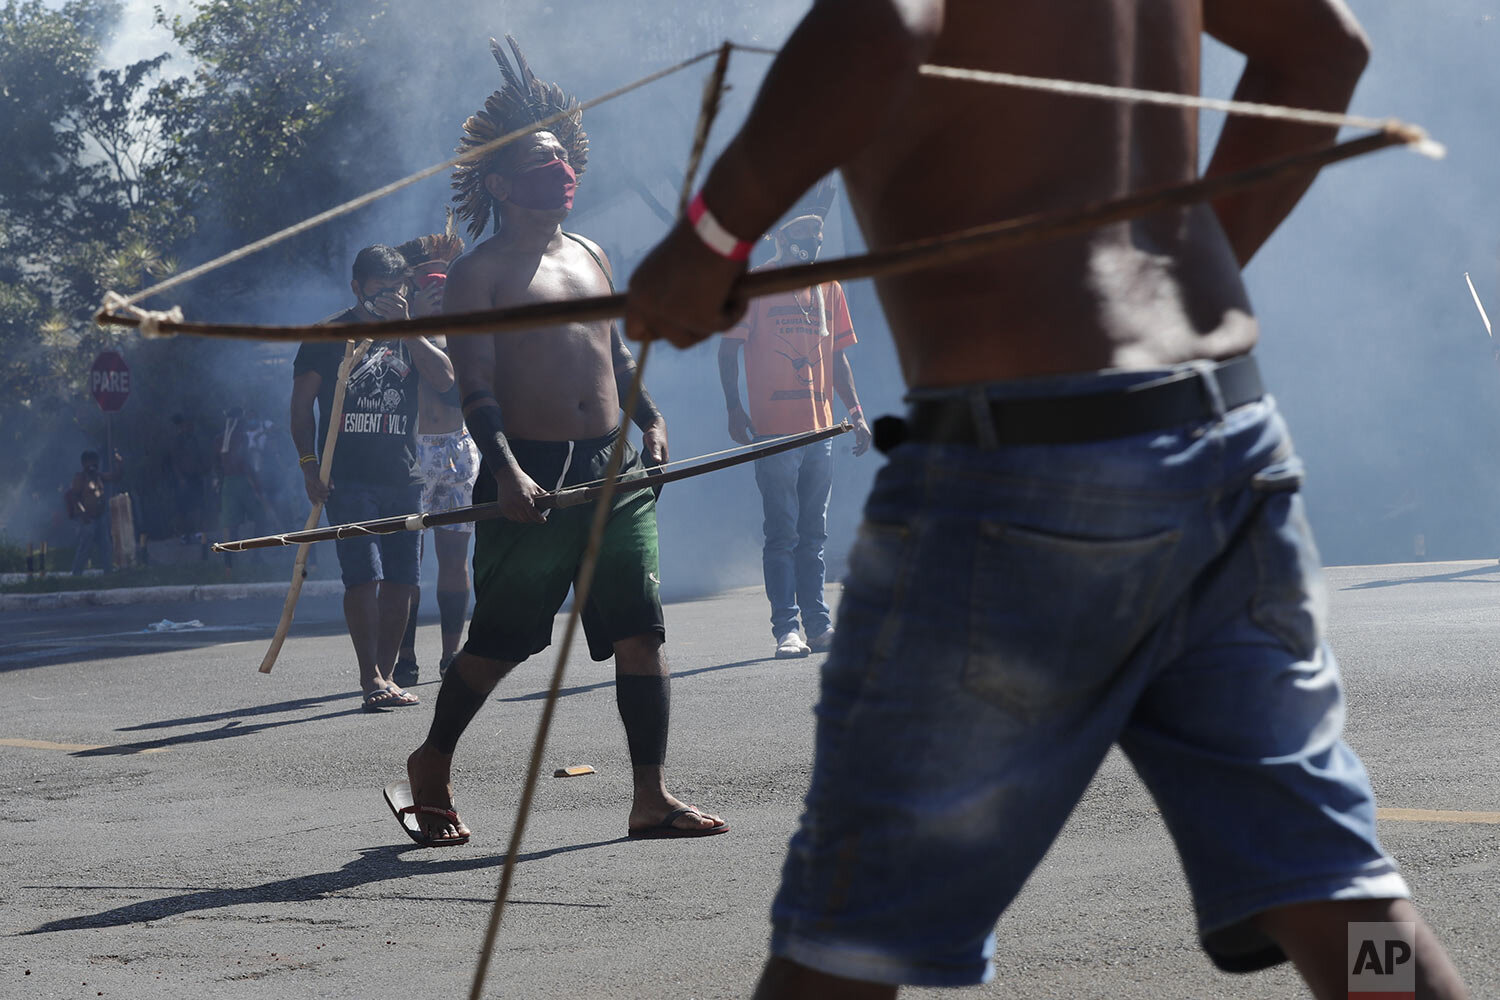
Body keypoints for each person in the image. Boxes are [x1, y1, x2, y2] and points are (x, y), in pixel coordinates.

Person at [624, 1, 1470, 997]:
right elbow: (1326, 45)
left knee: (843, 942)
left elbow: (886, 23)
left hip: (1021, 475)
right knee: (1338, 891)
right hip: (1219, 438)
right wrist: (1181, 265)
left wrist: (713, 235)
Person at [396, 35, 725, 847]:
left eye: (565, 160)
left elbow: (616, 356)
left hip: (613, 466)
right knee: (502, 642)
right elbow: (474, 387)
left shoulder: (592, 253)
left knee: (641, 629)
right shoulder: (480, 274)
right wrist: (504, 473)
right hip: (529, 474)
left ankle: (650, 796)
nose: (564, 173)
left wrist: (649, 420)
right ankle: (432, 759)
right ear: (503, 184)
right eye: (544, 164)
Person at [290, 245, 456, 712]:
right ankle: (370, 677)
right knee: (363, 577)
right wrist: (308, 463)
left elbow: (445, 380)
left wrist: (408, 328)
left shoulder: (411, 330)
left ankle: (387, 673)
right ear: (356, 286)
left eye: (397, 290)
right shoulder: (327, 335)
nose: (388, 298)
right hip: (347, 478)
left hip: (403, 476)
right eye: (379, 291)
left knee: (403, 578)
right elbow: (302, 408)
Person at [720, 213, 871, 658]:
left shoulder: (829, 286)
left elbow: (838, 356)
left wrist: (856, 412)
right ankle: (787, 630)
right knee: (783, 533)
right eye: (806, 233)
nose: (814, 243)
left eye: (819, 235)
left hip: (821, 431)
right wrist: (734, 408)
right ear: (782, 236)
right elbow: (727, 351)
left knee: (814, 535)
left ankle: (820, 626)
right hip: (775, 435)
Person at [393, 225, 476, 685]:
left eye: (444, 287)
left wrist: (418, 331)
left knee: (453, 557)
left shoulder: (460, 335)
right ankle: (404, 653)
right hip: (411, 452)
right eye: (428, 288)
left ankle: (450, 653)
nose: (438, 297)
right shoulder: (394, 338)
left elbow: (448, 382)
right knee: (408, 560)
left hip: (456, 450)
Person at [211, 406, 269, 565]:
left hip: (228, 485)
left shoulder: (218, 440)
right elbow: (246, 464)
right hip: (243, 482)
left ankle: (230, 562)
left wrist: (219, 482)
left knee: (231, 524)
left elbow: (216, 466)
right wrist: (258, 487)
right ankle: (254, 558)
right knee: (259, 517)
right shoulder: (241, 438)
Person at [64, 449, 121, 575]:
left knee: (106, 545)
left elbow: (115, 477)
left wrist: (119, 464)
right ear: (84, 463)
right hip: (87, 519)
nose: (93, 466)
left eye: (95, 463)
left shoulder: (99, 477)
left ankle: (109, 572)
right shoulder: (80, 478)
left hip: (100, 517)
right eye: (90, 463)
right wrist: (83, 514)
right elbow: (75, 497)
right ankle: (77, 573)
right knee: (85, 547)